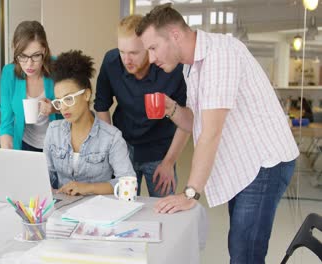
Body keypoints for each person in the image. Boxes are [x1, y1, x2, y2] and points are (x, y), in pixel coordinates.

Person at [136, 4, 299, 263]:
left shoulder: (219, 55)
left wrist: (190, 193)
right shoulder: (192, 66)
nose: (151, 58)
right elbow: (196, 122)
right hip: (246, 162)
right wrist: (172, 109)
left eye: (153, 48)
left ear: (175, 34)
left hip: (264, 162)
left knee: (244, 252)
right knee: (241, 245)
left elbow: (210, 133)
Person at [95, 15, 189, 197]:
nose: (126, 59)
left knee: (164, 210)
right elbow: (101, 106)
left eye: (134, 53)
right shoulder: (111, 61)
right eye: (122, 51)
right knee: (122, 207)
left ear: (148, 48)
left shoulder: (172, 69)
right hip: (124, 146)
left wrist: (169, 162)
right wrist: (113, 149)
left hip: (161, 150)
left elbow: (186, 121)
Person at [44, 50, 135, 196]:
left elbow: (129, 183)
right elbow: (45, 176)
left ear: (86, 94)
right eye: (59, 101)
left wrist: (88, 188)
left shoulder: (112, 138)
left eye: (68, 99)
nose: (63, 107)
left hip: (97, 211)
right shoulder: (53, 131)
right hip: (61, 211)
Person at [0, 21, 60, 152]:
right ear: (15, 50)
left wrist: (54, 108)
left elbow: (76, 105)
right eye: (23, 56)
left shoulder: (58, 67)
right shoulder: (9, 73)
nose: (29, 64)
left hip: (58, 145)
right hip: (25, 144)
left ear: (45, 50)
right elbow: (6, 122)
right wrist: (6, 155)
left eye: (36, 55)